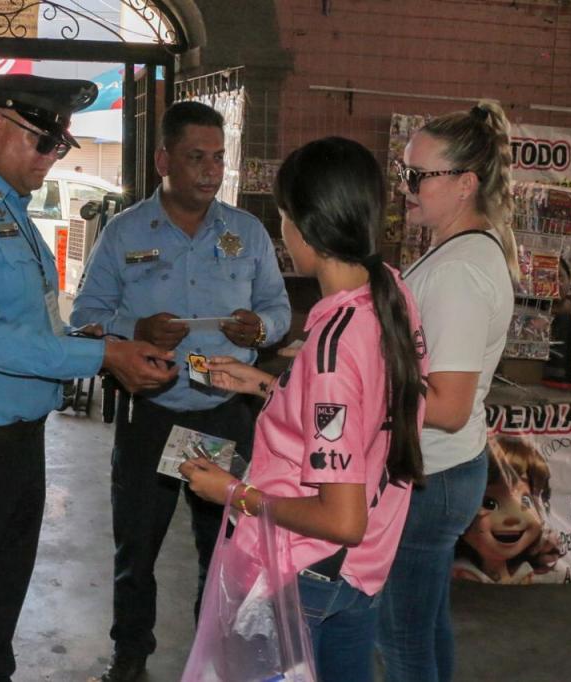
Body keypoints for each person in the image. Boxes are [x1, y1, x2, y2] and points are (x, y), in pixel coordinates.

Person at [0, 73, 178, 682]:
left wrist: (110, 344)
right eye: (43, 144)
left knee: (0, 605)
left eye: (60, 149)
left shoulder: (7, 209)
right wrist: (102, 359)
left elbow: (32, 328)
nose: (51, 160)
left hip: (17, 440)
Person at [180, 136, 429, 682]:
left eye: (285, 216)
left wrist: (231, 493)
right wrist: (271, 386)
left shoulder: (333, 345)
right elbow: (362, 415)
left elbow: (342, 520)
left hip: (306, 572)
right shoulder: (391, 295)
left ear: (305, 229)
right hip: (359, 575)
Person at [70, 100, 291, 682]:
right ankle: (131, 654)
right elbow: (87, 315)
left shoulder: (245, 232)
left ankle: (213, 656)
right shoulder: (124, 233)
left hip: (223, 416)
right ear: (164, 159)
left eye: (218, 158)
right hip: (154, 416)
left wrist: (260, 328)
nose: (210, 171)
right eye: (196, 157)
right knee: (135, 547)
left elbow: (278, 307)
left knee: (225, 549)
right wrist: (132, 332)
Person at [376, 100, 518, 682]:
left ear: (465, 184)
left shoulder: (459, 271)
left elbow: (451, 406)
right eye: (403, 172)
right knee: (425, 624)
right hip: (441, 470)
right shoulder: (459, 253)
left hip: (432, 472)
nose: (405, 186)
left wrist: (360, 393)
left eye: (417, 175)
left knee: (402, 637)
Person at [452, 435, 559, 584]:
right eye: (489, 503)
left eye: (526, 501)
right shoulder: (458, 572)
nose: (512, 517)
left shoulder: (531, 573)